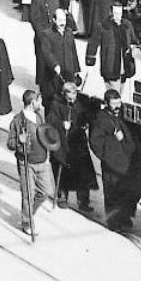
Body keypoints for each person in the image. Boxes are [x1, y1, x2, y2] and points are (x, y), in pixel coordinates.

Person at [88, 89, 141, 232]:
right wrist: (111, 148)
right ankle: (113, 222)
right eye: (114, 104)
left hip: (127, 161)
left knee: (129, 191)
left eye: (119, 102)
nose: (117, 106)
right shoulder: (101, 119)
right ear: (106, 104)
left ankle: (125, 217)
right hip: (112, 164)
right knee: (113, 193)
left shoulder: (123, 114)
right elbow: (95, 142)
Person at [7, 91, 57, 235]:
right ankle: (27, 222)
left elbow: (45, 136)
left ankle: (28, 212)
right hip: (26, 163)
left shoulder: (39, 117)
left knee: (46, 191)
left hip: (42, 161)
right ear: (32, 102)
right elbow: (10, 143)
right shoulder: (18, 121)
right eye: (39, 101)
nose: (40, 104)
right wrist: (19, 141)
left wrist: (48, 154)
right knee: (28, 195)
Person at [45, 80, 98, 212]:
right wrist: (62, 124)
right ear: (63, 95)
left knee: (83, 171)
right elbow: (50, 121)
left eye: (74, 96)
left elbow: (87, 113)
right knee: (61, 168)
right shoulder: (56, 104)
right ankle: (62, 196)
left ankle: (83, 200)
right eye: (69, 98)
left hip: (77, 141)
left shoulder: (80, 102)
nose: (72, 100)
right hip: (62, 142)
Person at [85, 3, 137, 92]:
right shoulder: (103, 26)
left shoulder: (127, 25)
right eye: (115, 13)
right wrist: (90, 60)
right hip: (110, 66)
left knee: (119, 94)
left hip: (125, 67)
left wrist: (134, 49)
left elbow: (134, 41)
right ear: (111, 12)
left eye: (120, 13)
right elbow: (93, 43)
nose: (118, 16)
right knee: (113, 96)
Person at [34, 9, 80, 100]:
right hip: (53, 73)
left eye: (64, 20)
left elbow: (73, 52)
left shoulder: (69, 32)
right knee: (52, 98)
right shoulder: (46, 34)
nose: (62, 23)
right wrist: (54, 64)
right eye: (59, 20)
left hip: (68, 71)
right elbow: (46, 52)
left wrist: (76, 69)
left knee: (67, 97)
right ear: (54, 20)